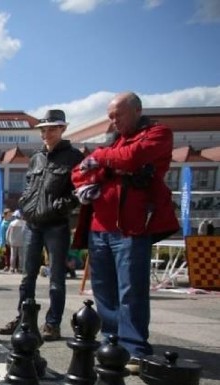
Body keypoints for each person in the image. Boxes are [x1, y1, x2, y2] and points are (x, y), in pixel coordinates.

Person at [72, 92, 179, 370]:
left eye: (117, 115)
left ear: (136, 110)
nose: (113, 121)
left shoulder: (158, 133)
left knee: (131, 289)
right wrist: (108, 161)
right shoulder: (115, 141)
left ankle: (134, 347)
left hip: (131, 227)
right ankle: (112, 341)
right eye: (110, 116)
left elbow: (132, 158)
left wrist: (101, 158)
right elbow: (79, 172)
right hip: (99, 226)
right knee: (104, 289)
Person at [0, 109, 83, 342]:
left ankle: (52, 323)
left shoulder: (74, 157)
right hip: (33, 223)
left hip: (56, 223)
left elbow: (80, 191)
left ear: (63, 129)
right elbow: (29, 186)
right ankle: (23, 318)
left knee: (56, 277)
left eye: (52, 129)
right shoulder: (37, 157)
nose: (46, 133)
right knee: (28, 276)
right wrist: (25, 203)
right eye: (43, 130)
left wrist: (60, 206)